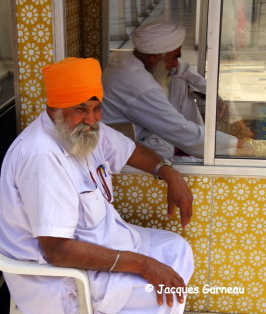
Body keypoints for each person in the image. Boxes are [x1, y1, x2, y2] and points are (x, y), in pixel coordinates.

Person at [0, 57, 194, 314]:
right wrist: (143, 264)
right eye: (81, 109)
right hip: (62, 278)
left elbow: (128, 149)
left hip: (105, 245)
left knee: (176, 250)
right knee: (162, 294)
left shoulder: (84, 130)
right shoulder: (41, 156)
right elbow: (59, 251)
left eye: (96, 108)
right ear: (55, 109)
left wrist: (168, 173)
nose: (91, 119)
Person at [102, 21, 251, 161]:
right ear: (154, 58)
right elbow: (178, 129)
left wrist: (212, 95)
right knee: (171, 157)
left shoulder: (128, 58)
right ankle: (204, 148)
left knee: (179, 81)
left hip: (145, 128)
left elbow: (182, 70)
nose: (176, 63)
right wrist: (235, 144)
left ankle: (202, 144)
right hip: (124, 146)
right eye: (174, 57)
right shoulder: (139, 86)